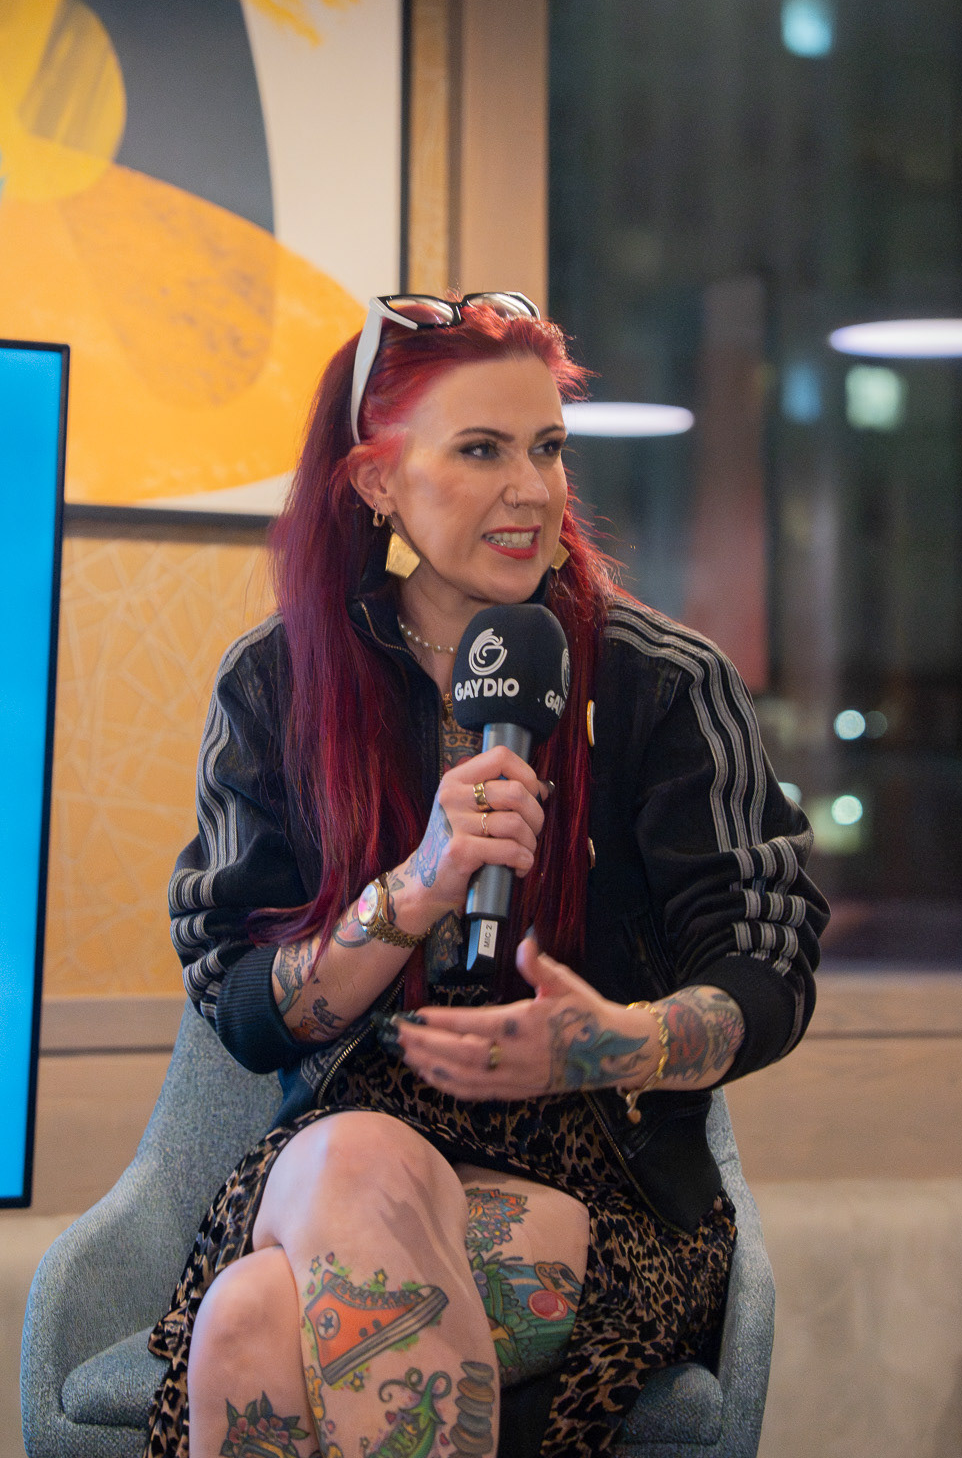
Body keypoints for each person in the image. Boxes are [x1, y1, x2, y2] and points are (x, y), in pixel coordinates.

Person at [148, 295, 827, 1458]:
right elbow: (249, 1009)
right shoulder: (278, 682)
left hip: (604, 1184)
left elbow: (767, 967)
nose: (532, 489)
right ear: (376, 480)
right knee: (355, 1155)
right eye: (481, 449)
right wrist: (420, 881)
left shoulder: (665, 683)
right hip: (340, 1152)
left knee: (255, 1319)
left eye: (547, 447)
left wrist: (614, 1041)